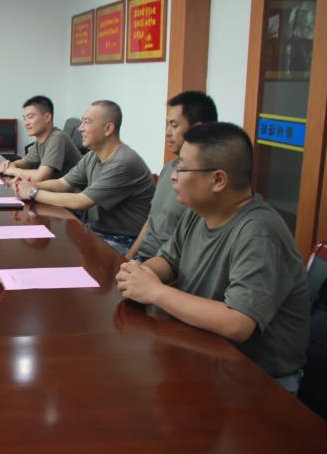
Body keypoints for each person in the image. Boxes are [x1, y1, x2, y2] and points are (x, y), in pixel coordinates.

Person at [116, 122, 309, 394]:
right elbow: (169, 261)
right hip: (206, 352)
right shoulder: (198, 212)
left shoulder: (258, 231)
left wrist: (155, 292)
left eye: (182, 168)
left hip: (258, 379)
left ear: (218, 180)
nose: (173, 176)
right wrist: (139, 272)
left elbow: (237, 322)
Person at [13, 100, 154, 255]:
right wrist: (28, 185)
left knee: (55, 254)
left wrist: (32, 192)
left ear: (108, 129)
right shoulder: (93, 156)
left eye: (87, 122)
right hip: (96, 230)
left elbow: (80, 201)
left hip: (122, 240)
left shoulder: (123, 162)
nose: (80, 128)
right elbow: (62, 183)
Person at [125, 91, 218, 260]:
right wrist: (126, 258)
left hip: (164, 266)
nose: (167, 132)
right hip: (141, 260)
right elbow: (151, 221)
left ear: (197, 129)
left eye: (174, 126)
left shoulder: (204, 182)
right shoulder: (169, 168)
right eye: (167, 125)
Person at [0, 95, 81, 181]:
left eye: (30, 117)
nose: (26, 123)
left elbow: (40, 176)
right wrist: (12, 164)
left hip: (73, 189)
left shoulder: (57, 138)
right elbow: (26, 162)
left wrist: (14, 171)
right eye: (25, 118)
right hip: (53, 186)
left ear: (47, 117)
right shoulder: (41, 140)